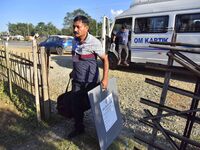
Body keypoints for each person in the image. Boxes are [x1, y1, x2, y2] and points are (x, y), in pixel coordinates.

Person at [68, 15, 109, 139]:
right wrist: (73, 70)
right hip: (77, 80)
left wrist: (105, 78)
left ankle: (103, 134)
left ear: (86, 28)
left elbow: (105, 59)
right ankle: (79, 128)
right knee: (76, 105)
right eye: (74, 26)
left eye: (78, 27)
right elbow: (75, 56)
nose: (75, 29)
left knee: (94, 106)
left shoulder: (94, 42)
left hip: (90, 82)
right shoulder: (74, 40)